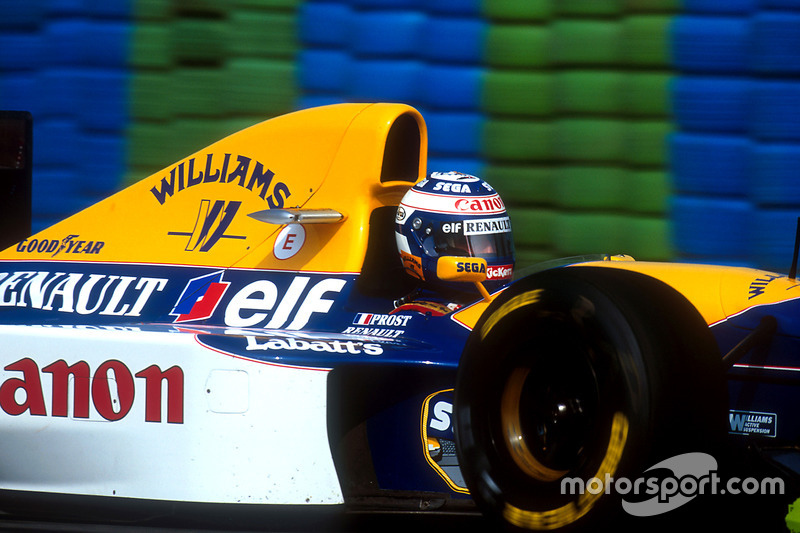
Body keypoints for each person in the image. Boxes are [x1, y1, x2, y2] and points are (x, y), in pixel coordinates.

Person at [393, 171, 515, 315]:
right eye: (479, 243)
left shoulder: (506, 302)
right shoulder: (420, 318)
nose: (489, 250)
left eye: (494, 241)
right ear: (431, 244)